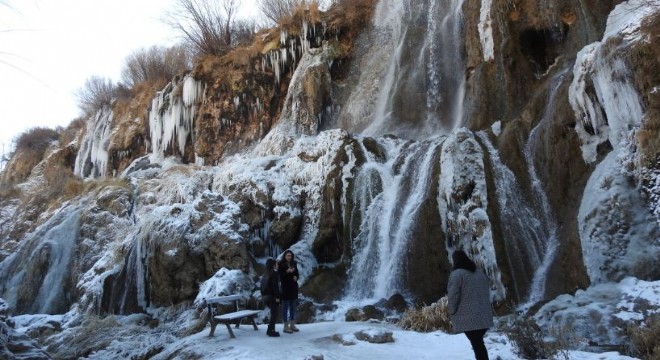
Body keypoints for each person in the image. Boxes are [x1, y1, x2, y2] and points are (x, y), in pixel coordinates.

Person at [447, 249, 494, 360]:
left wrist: (451, 310)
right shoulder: (479, 272)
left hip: (470, 319)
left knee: (478, 345)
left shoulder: (456, 275)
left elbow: (453, 295)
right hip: (484, 316)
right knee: (478, 343)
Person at [278, 250, 300, 333]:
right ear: (284, 256)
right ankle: (285, 326)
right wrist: (287, 271)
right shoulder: (281, 264)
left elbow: (297, 273)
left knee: (292, 307)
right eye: (288, 255)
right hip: (285, 287)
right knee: (285, 306)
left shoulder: (294, 263)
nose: (289, 257)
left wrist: (296, 277)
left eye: (290, 255)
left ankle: (292, 324)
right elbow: (280, 276)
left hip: (293, 287)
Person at [261, 258, 281, 337]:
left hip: (265, 297)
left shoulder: (265, 273)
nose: (277, 265)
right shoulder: (274, 273)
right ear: (273, 265)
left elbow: (262, 286)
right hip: (272, 297)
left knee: (273, 313)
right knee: (274, 313)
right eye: (276, 264)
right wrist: (277, 297)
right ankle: (271, 330)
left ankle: (270, 329)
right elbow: (275, 287)